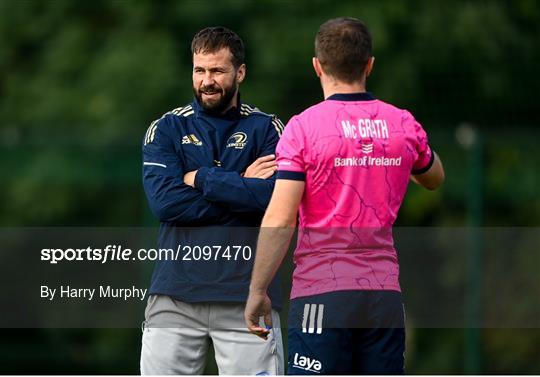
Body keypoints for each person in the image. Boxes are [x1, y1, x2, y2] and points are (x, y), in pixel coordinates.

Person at [245, 17, 445, 375]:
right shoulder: (401, 123)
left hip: (323, 294)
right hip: (383, 296)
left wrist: (257, 290)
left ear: (317, 66)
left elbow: (280, 217)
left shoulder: (303, 127)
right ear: (369, 65)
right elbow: (434, 177)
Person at [141, 26, 285, 375]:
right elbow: (166, 204)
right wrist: (241, 188)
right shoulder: (166, 128)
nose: (207, 80)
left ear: (240, 72)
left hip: (248, 295)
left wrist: (203, 179)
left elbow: (275, 201)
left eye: (218, 71)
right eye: (200, 70)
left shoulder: (268, 129)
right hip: (175, 294)